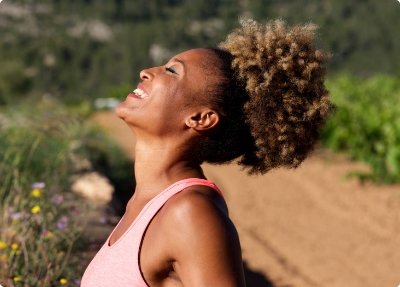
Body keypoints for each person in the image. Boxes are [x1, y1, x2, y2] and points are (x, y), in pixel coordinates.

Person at [81, 19, 334, 287]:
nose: (146, 72)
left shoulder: (190, 214)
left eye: (172, 71)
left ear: (201, 118)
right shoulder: (145, 202)